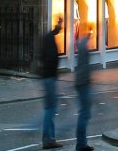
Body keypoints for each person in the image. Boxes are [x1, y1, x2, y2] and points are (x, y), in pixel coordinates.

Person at [40, 16, 64, 149]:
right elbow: (51, 59)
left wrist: (59, 26)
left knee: (50, 109)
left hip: (47, 77)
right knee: (50, 109)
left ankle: (49, 138)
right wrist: (54, 72)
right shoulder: (49, 39)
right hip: (49, 78)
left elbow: (53, 32)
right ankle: (48, 138)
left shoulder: (47, 37)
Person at [74, 27, 93, 151]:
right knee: (84, 114)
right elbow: (85, 66)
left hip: (82, 82)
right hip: (83, 83)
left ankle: (81, 143)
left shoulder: (80, 44)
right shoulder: (82, 47)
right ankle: (81, 144)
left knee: (85, 113)